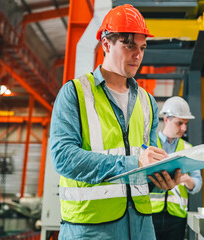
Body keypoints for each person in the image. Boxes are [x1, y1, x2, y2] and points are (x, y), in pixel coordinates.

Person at [50, 4, 181, 240]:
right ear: (106, 44)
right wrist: (132, 164)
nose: (137, 54)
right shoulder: (75, 93)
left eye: (142, 47)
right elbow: (63, 157)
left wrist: (162, 176)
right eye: (129, 45)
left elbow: (146, 163)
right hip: (91, 227)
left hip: (141, 226)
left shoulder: (147, 102)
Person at [150, 96, 202, 240]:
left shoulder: (188, 149)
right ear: (166, 119)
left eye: (186, 123)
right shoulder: (150, 145)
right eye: (180, 123)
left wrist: (187, 180)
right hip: (150, 213)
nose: (184, 128)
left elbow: (198, 183)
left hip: (177, 217)